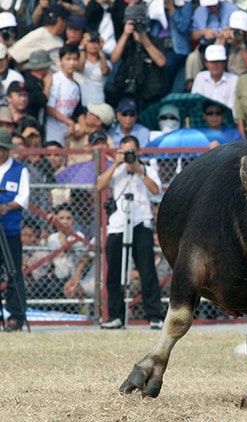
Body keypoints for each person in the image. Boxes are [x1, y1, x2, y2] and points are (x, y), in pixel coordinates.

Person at [97, 135, 163, 330]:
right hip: (118, 224)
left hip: (140, 221)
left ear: (138, 151)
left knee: (147, 270)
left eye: (131, 152)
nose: (128, 156)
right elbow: (100, 185)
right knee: (114, 272)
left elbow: (156, 191)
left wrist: (139, 171)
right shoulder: (115, 170)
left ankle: (154, 315)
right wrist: (115, 165)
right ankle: (115, 316)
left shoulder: (148, 169)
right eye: (124, 152)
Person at [109, 2, 167, 111]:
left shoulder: (153, 39)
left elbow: (161, 61)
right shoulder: (125, 40)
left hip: (149, 91)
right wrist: (125, 35)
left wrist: (144, 40)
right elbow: (114, 59)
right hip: (127, 89)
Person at [0, 128, 30, 331]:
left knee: (14, 272)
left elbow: (23, 198)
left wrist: (7, 206)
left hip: (9, 230)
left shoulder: (20, 170)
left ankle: (16, 316)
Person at [45, 44, 85, 145]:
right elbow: (49, 108)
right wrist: (70, 122)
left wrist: (83, 126)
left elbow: (78, 109)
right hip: (52, 129)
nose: (72, 63)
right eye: (68, 59)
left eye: (75, 59)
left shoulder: (76, 85)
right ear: (61, 60)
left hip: (67, 130)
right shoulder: (55, 80)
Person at [8, 4, 67, 72]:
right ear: (60, 20)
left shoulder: (60, 40)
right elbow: (11, 54)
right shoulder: (39, 34)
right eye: (65, 21)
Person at [190, 44, 238, 116]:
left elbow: (233, 107)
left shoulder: (234, 80)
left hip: (227, 121)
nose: (215, 65)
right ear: (206, 64)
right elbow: (195, 103)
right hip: (204, 121)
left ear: (224, 63)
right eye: (212, 62)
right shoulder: (200, 77)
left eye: (218, 62)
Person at [76, 30, 111, 107]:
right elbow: (80, 68)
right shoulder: (78, 60)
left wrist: (101, 50)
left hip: (99, 102)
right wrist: (82, 48)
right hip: (82, 103)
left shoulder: (106, 62)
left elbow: (105, 71)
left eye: (96, 42)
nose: (93, 45)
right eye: (90, 42)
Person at [20, 50, 53, 125]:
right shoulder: (29, 83)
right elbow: (41, 101)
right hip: (30, 123)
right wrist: (48, 85)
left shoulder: (40, 82)